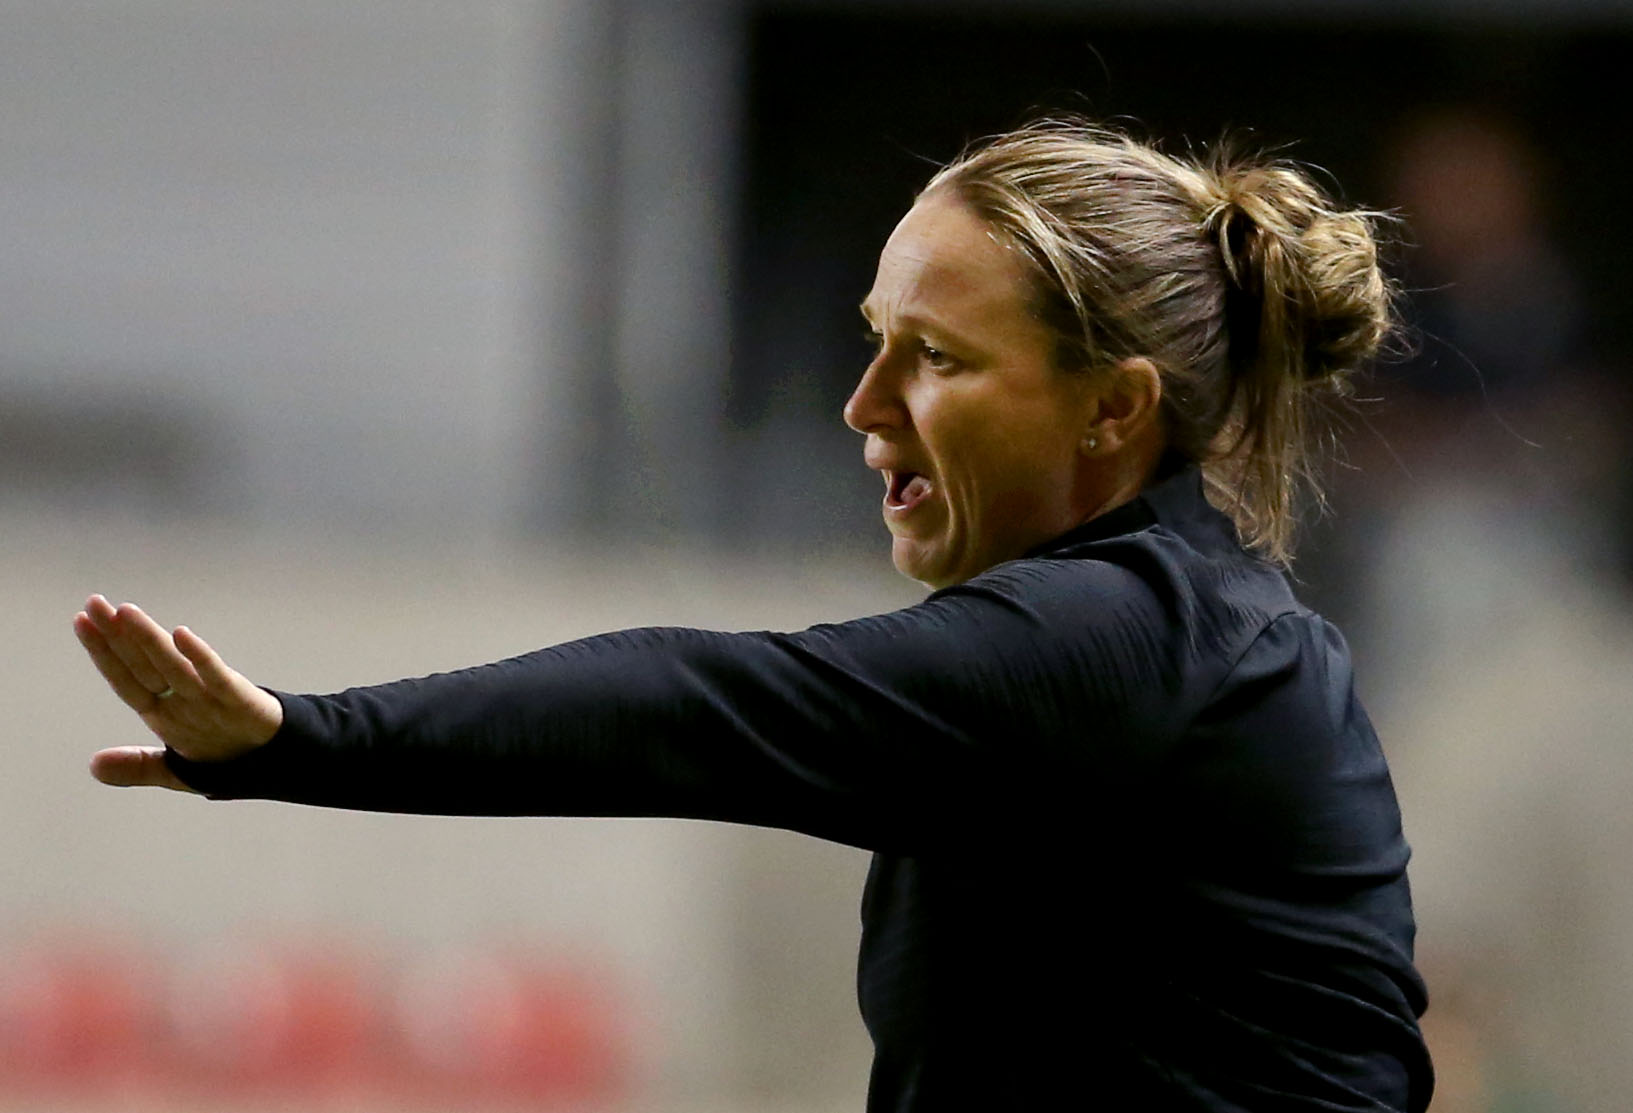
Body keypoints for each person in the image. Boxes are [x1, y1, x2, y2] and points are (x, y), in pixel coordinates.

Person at [74, 119, 1433, 1112]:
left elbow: (695, 704)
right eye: (872, 338)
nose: (864, 406)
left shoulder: (1129, 642)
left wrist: (309, 739)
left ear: (1112, 406)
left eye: (937, 359)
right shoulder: (1143, 647)